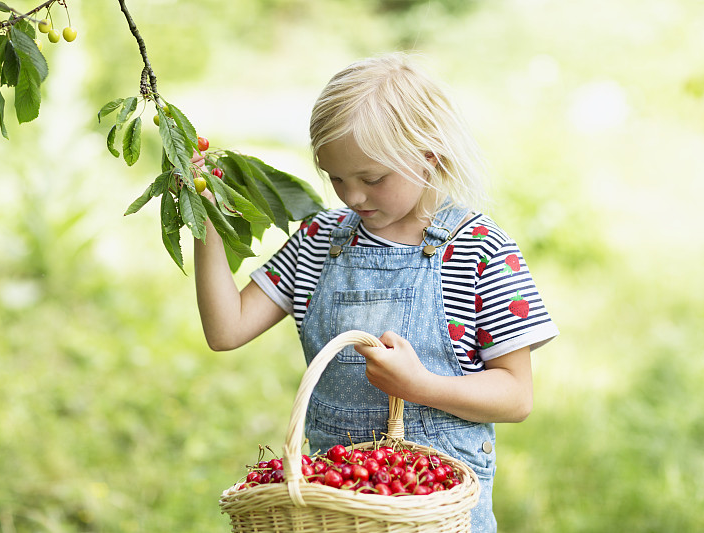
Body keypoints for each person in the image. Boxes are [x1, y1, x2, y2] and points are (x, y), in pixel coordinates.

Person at [194, 52, 559, 532]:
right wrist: (205, 221)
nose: (352, 196)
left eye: (372, 178)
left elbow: (516, 395)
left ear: (429, 154)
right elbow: (226, 329)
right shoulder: (319, 241)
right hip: (339, 514)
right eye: (336, 178)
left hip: (436, 516)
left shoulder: (481, 252)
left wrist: (420, 386)